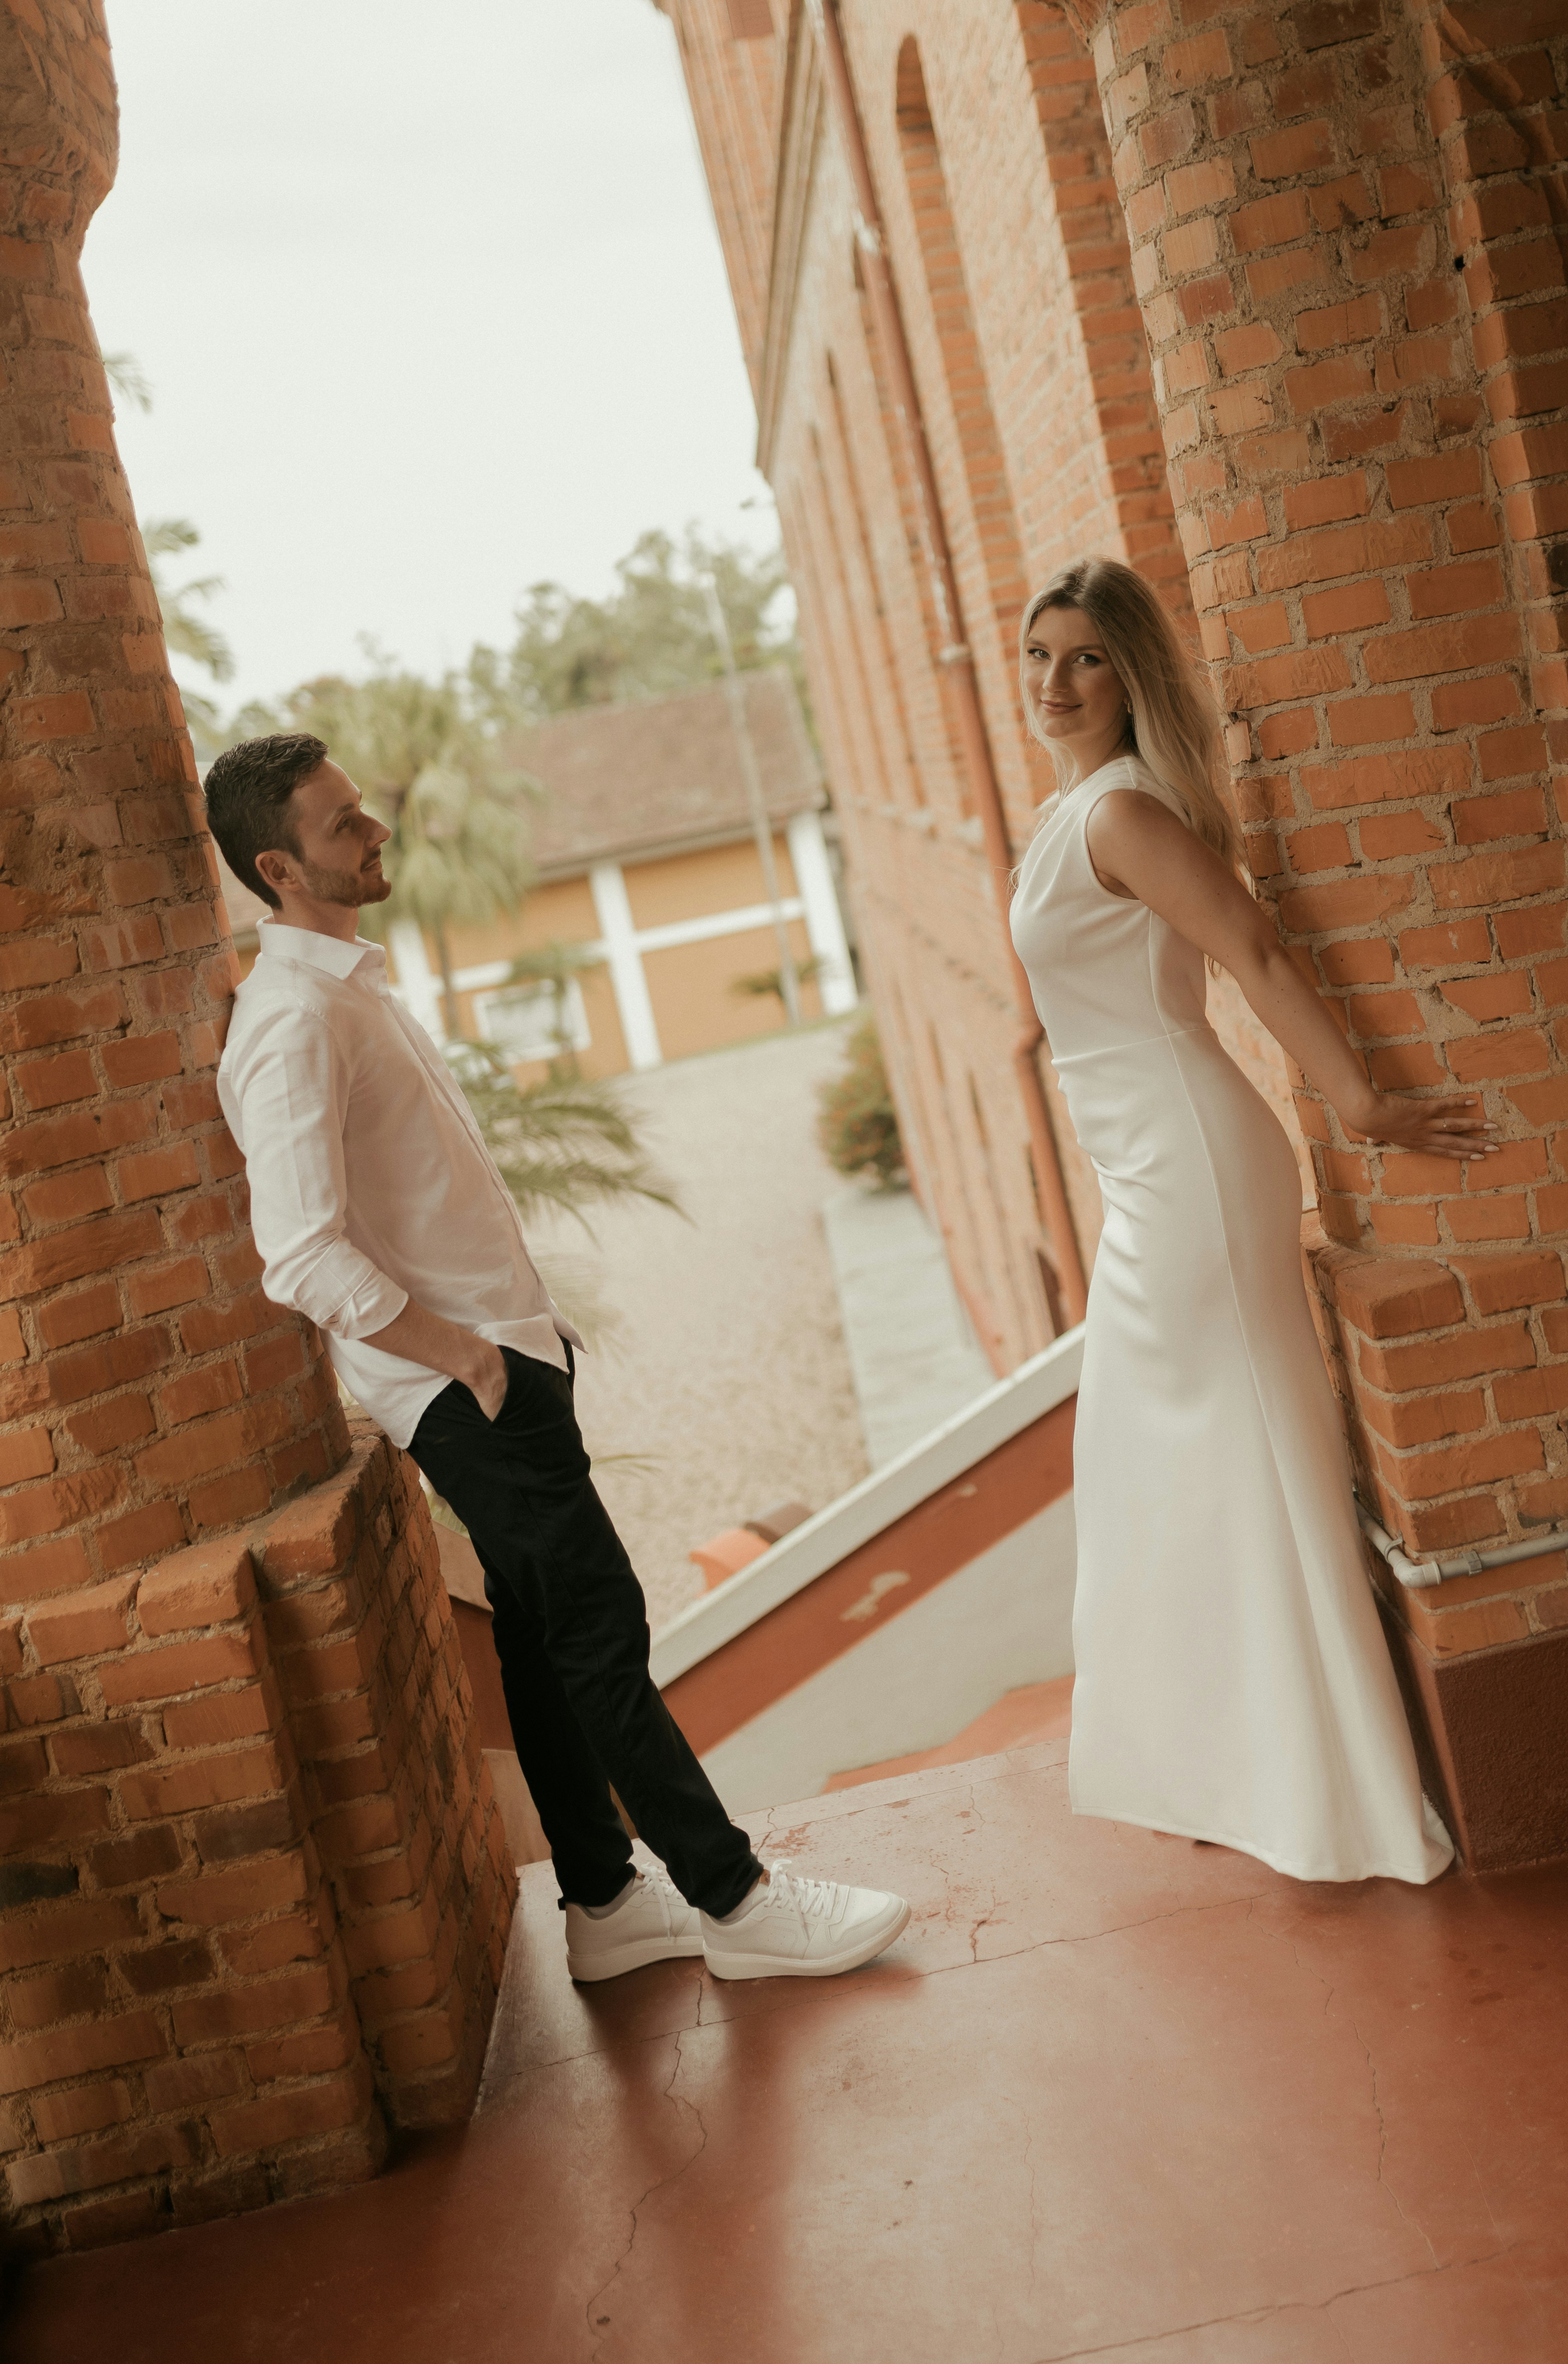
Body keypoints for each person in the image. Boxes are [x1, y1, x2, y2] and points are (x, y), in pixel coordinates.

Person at [205, 732, 910, 1983]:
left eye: (364, 813)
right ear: (279, 865)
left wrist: (509, 1349)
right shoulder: (290, 1016)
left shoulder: (347, 985)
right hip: (462, 1385)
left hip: (507, 1363)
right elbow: (303, 1256)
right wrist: (466, 1361)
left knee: (539, 1638)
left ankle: (601, 1900)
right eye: (344, 826)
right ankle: (737, 1903)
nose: (377, 834)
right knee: (600, 1628)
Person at [1009, 559, 1496, 1884]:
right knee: (1159, 1461)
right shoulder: (1074, 814)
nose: (1057, 682)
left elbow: (1258, 952)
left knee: (1250, 1454)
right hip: (1146, 1172)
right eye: (1041, 655)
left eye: (1088, 658)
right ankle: (1242, 1756)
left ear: (1133, 677)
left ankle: (1332, 1781)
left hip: (1196, 1172)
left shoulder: (1123, 815)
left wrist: (1364, 1104)